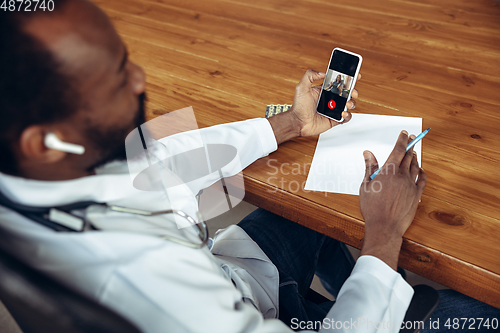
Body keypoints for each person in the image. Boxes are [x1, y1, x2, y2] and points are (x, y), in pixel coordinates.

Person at [0, 1, 498, 333]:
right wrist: (385, 233)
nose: (139, 78)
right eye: (115, 78)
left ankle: (362, 282)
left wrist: (292, 124)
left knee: (313, 198)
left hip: (232, 278)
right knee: (482, 314)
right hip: (248, 315)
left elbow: (152, 162)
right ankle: (359, 291)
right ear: (43, 142)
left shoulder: (37, 168)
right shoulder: (137, 281)